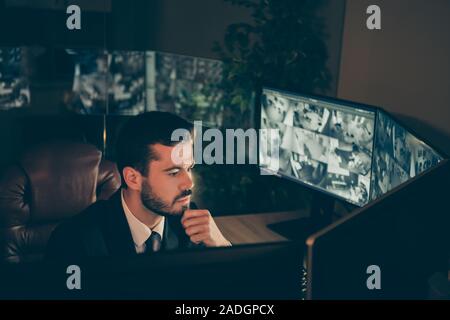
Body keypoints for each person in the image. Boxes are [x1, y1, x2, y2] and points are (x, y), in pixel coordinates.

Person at [46, 112, 231, 260]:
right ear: (133, 178)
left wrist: (221, 246)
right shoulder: (73, 240)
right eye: (174, 173)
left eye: (189, 168)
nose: (189, 182)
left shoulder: (192, 225)